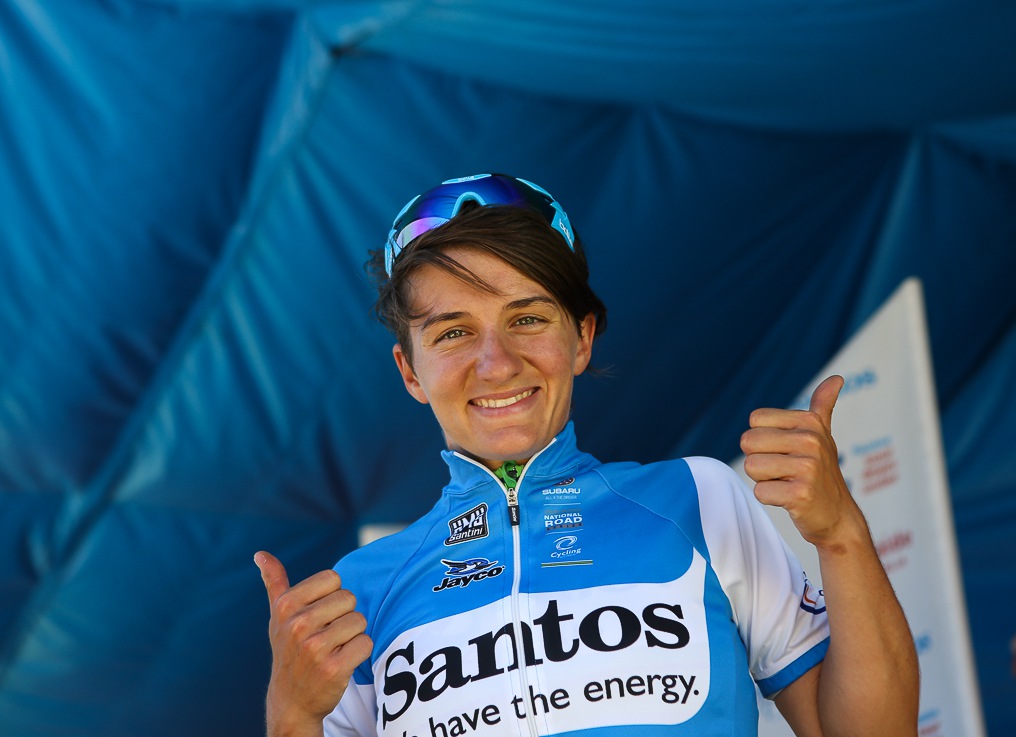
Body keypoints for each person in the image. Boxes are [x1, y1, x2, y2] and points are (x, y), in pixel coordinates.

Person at [255, 173, 919, 737]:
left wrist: (840, 536)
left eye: (528, 318)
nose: (496, 363)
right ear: (409, 370)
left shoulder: (698, 499)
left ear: (581, 337)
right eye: (454, 332)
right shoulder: (358, 590)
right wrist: (289, 714)